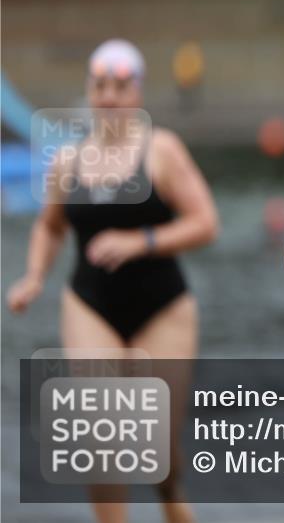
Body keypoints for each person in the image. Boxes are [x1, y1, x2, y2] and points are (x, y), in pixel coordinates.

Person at [6, 39, 219, 523]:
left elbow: (205, 222)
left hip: (163, 306)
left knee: (158, 449)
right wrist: (34, 276)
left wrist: (139, 240)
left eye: (120, 87)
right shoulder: (67, 160)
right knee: (100, 433)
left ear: (137, 93)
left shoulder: (162, 151)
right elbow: (49, 225)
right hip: (90, 304)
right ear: (89, 91)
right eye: (100, 86)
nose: (109, 97)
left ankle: (170, 497)